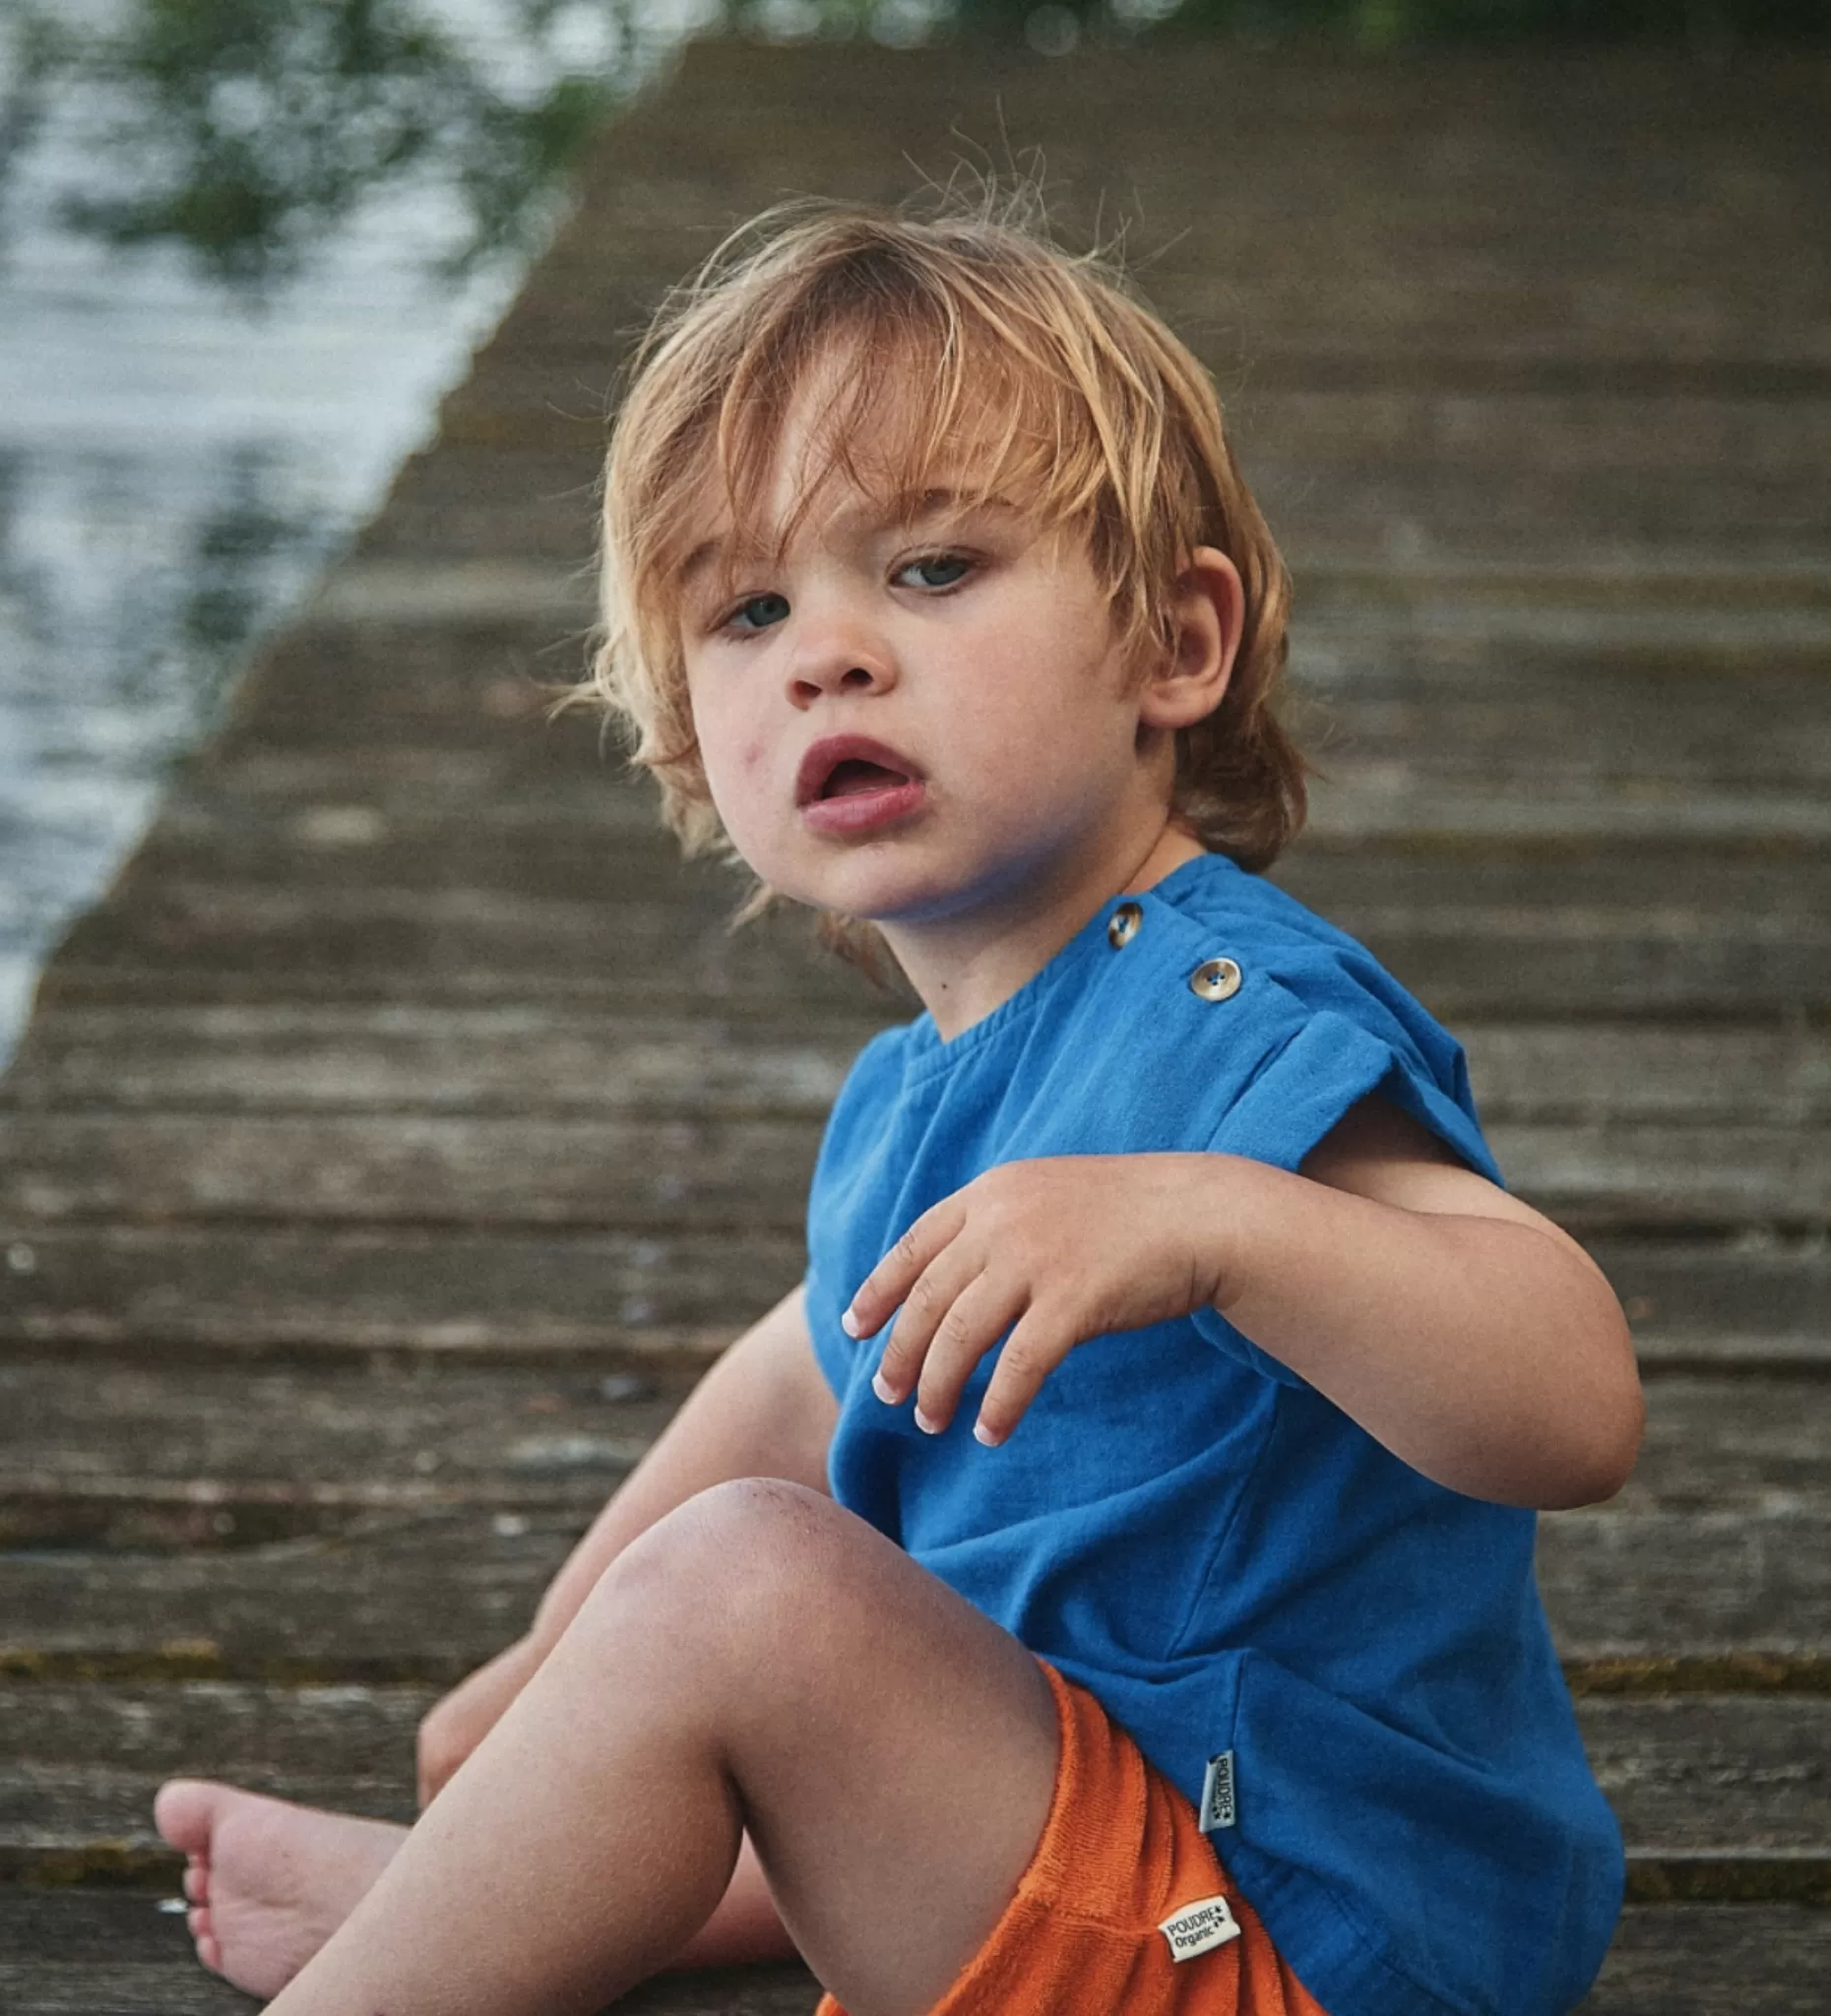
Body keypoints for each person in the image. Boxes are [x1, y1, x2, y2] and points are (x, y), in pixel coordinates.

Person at [154, 199, 1643, 2016]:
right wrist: (550, 1668)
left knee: (748, 1596)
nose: (828, 652)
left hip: (1295, 1939)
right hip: (1101, 1824)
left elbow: (1574, 1405)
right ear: (696, 743)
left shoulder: (1232, 1021)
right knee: (724, 1586)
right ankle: (474, 1890)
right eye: (751, 608)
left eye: (932, 570)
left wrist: (1216, 1224)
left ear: (1175, 645)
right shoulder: (919, 1088)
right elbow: (799, 1378)